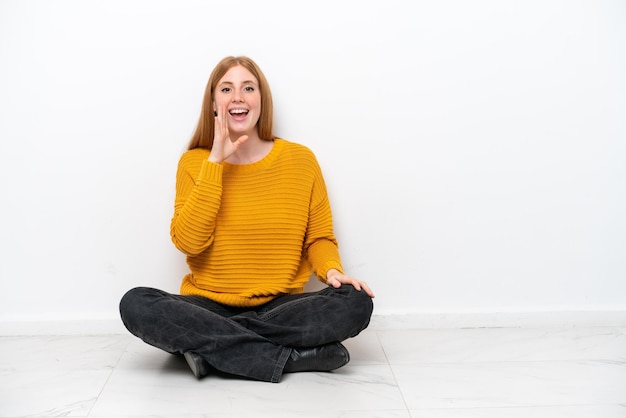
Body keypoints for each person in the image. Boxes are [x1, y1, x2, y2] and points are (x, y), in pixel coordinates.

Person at [119, 56, 374, 383]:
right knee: (137, 304)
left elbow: (318, 238)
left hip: (280, 308)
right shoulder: (194, 163)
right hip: (208, 306)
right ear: (214, 103)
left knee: (355, 302)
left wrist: (334, 271)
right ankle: (290, 358)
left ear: (260, 100)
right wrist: (215, 162)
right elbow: (189, 243)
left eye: (248, 88)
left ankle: (209, 350)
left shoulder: (300, 160)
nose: (237, 96)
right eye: (227, 89)